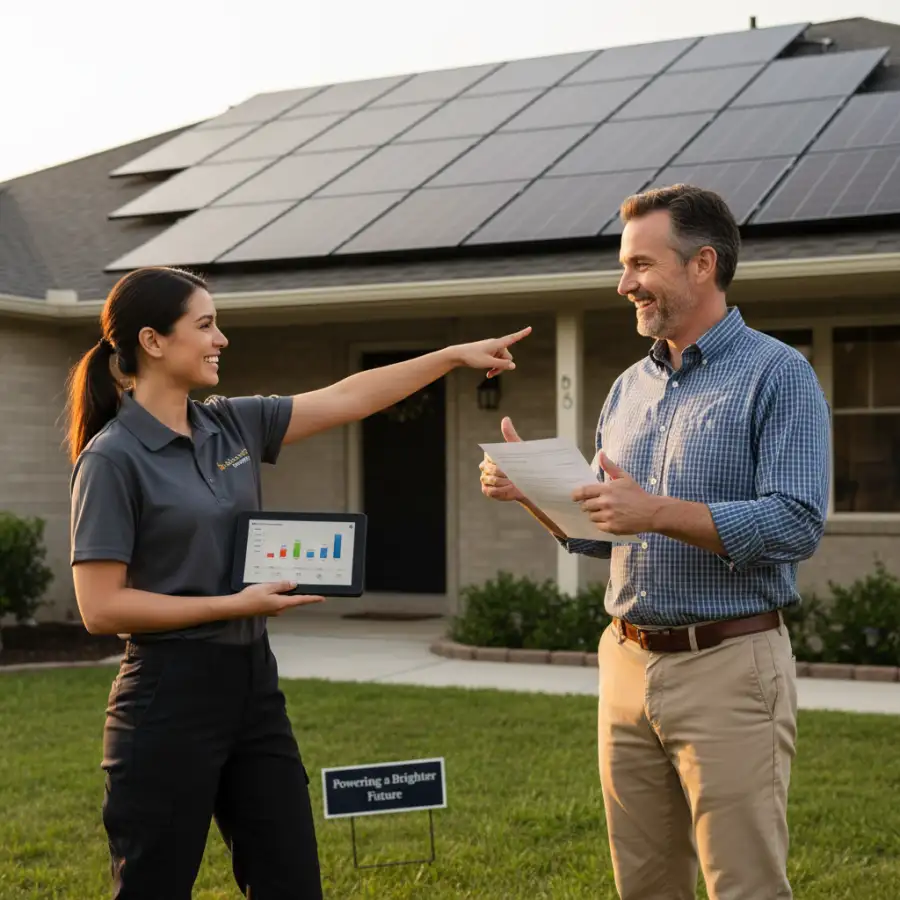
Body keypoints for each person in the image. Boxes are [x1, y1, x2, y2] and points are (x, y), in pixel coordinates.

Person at [66, 265, 531, 900]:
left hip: (252, 686)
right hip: (166, 698)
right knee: (154, 886)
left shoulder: (229, 424)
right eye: (205, 326)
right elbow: (100, 606)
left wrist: (450, 356)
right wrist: (234, 603)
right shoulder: (111, 457)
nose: (221, 339)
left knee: (290, 880)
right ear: (152, 341)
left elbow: (348, 396)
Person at [479, 184, 830, 900]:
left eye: (641, 264)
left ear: (703, 265)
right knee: (642, 886)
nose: (624, 284)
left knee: (746, 886)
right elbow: (605, 534)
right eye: (623, 265)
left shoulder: (778, 374)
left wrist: (657, 511)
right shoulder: (626, 388)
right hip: (627, 661)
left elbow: (796, 522)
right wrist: (536, 494)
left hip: (731, 665)